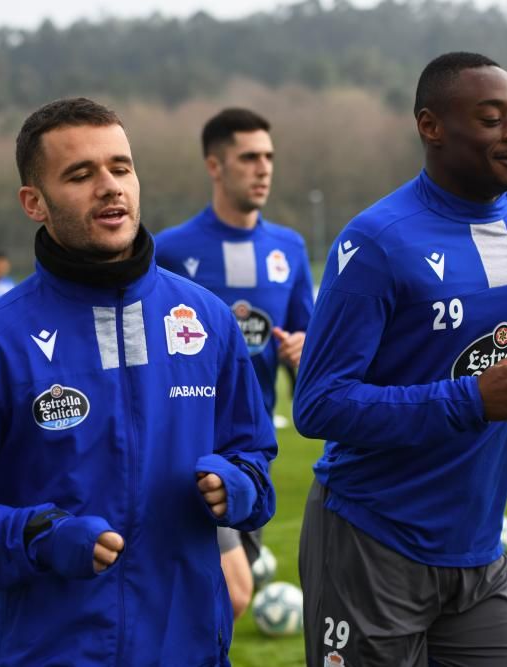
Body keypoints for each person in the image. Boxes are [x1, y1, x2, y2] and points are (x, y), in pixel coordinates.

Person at [0, 97, 277, 666]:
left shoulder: (207, 321)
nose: (110, 186)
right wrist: (36, 537)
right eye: (81, 174)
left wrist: (237, 484)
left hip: (188, 650)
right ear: (33, 202)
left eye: (120, 167)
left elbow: (255, 456)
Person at [293, 52, 507, 666]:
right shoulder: (378, 241)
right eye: (491, 120)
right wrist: (470, 401)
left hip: (478, 551)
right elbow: (318, 403)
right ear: (431, 126)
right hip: (373, 540)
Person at [155, 107, 313, 617]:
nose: (263, 168)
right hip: (185, 444)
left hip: (248, 450)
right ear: (215, 166)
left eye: (268, 157)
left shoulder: (288, 248)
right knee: (227, 593)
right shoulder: (172, 250)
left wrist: (304, 353)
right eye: (248, 158)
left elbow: (312, 350)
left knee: (213, 604)